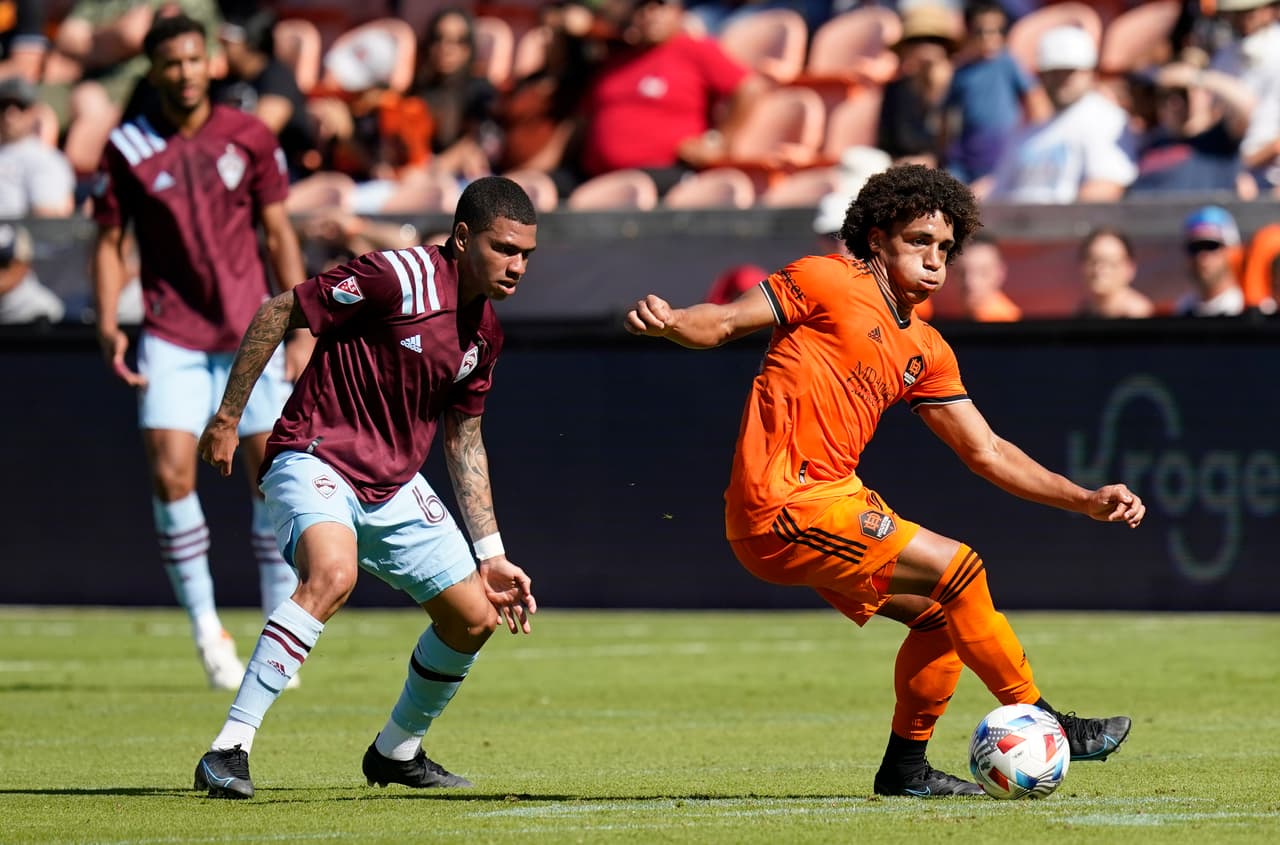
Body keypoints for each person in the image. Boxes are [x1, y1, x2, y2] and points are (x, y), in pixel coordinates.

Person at [625, 164, 1140, 797]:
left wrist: (1084, 499)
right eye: (918, 241)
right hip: (782, 506)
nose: (934, 260)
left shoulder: (926, 347)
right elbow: (727, 322)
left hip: (833, 499)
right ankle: (1048, 721)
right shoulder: (825, 279)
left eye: (945, 247)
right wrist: (674, 322)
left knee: (942, 616)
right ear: (876, 239)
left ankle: (905, 770)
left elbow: (986, 450)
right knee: (961, 569)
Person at [190, 175, 539, 800]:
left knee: (474, 620)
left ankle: (396, 751)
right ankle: (227, 749)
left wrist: (492, 555)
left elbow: (464, 441)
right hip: (314, 455)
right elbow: (278, 311)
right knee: (332, 575)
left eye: (526, 254)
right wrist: (227, 417)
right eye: (504, 248)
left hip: (394, 483)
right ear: (463, 238)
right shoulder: (393, 276)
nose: (517, 266)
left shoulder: (486, 332)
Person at [91, 14, 309, 690]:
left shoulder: (250, 135)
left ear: (210, 62)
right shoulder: (127, 145)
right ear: (153, 71)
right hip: (171, 334)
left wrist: (302, 326)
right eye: (171, 62)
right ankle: (208, 630)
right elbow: (109, 242)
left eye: (193, 59)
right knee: (171, 474)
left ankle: (277, 631)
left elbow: (278, 233)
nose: (184, 72)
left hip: (253, 334)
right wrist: (108, 321)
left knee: (272, 482)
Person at [983, 25, 1137, 203]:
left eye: (1070, 72)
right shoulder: (1029, 129)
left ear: (1091, 73)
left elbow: (1105, 187)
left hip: (1067, 220)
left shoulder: (1107, 119)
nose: (1061, 80)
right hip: (1015, 218)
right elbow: (997, 191)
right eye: (1053, 72)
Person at [942, 1, 1050, 183]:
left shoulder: (1008, 63)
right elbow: (947, 120)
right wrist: (944, 153)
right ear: (968, 33)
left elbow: (1036, 99)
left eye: (996, 31)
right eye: (980, 31)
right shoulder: (960, 73)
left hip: (1003, 160)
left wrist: (1037, 140)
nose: (988, 38)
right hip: (965, 163)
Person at [1173, 205, 1250, 317]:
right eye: (1195, 248)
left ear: (1233, 250)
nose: (1202, 256)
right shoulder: (1183, 309)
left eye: (1211, 246)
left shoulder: (1246, 308)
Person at [1077, 227, 1155, 319]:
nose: (1098, 270)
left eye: (1109, 262)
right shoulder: (1084, 312)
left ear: (1130, 269)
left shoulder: (1138, 314)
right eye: (1093, 261)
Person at [952, 232, 1021, 321]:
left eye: (983, 272)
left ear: (1000, 273)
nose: (970, 282)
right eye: (961, 272)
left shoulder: (1006, 322)